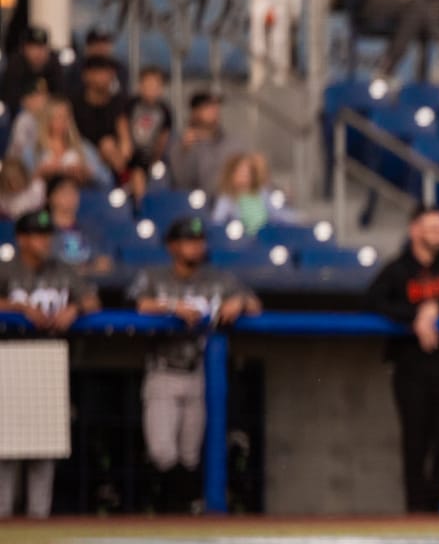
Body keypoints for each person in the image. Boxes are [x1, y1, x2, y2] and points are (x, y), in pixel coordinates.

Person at [129, 216, 261, 514]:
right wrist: (173, 307)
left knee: (190, 455)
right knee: (163, 451)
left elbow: (254, 304)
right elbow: (138, 303)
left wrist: (238, 301)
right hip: (163, 369)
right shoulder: (154, 275)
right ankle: (167, 507)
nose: (195, 247)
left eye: (199, 241)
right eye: (188, 241)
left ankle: (181, 514)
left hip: (201, 371)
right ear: (172, 246)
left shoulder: (219, 279)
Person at [366, 205, 439, 514]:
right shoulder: (399, 268)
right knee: (415, 443)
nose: (438, 234)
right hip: (410, 367)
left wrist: (437, 309)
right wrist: (414, 316)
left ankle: (431, 509)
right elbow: (373, 300)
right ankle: (416, 514)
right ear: (414, 230)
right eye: (431, 228)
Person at [0, 210, 100, 519]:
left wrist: (74, 308)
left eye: (47, 235)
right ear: (22, 239)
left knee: (45, 448)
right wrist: (16, 307)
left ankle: (38, 519)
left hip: (49, 364)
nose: (45, 241)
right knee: (6, 448)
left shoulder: (62, 271)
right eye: (38, 236)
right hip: (8, 363)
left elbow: (92, 301)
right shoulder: (7, 270)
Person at [24, 97, 111, 188]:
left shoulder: (83, 147)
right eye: (58, 117)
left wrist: (88, 173)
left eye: (66, 117)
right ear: (47, 119)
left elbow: (107, 180)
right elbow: (19, 187)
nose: (63, 122)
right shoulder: (32, 150)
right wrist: (40, 174)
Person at [168, 92, 243, 194]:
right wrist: (184, 151)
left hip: (230, 202)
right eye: (208, 106)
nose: (215, 110)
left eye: (216, 106)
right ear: (195, 112)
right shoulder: (183, 145)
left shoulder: (232, 143)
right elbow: (181, 182)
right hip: (196, 205)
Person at [68, 55, 131, 176]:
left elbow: (125, 140)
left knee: (108, 144)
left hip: (111, 159)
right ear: (86, 75)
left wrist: (121, 155)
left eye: (108, 73)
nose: (105, 77)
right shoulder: (74, 104)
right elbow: (71, 137)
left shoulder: (118, 103)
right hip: (81, 156)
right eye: (100, 72)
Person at [210, 153, 295, 235]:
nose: (245, 175)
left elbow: (279, 213)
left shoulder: (262, 193)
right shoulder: (227, 198)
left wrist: (301, 220)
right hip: (241, 242)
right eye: (241, 171)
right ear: (232, 174)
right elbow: (217, 222)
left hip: (265, 238)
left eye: (248, 171)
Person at [44, 176, 112, 274]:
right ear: (50, 197)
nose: (70, 196)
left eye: (73, 191)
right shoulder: (42, 232)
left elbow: (104, 263)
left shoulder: (91, 230)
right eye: (64, 192)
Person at [0, 26, 62, 115]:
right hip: (19, 115)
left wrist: (47, 100)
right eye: (33, 47)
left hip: (48, 116)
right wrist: (25, 102)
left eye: (42, 47)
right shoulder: (15, 64)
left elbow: (61, 95)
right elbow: (7, 97)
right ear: (24, 49)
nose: (38, 52)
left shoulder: (54, 63)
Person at [124, 66, 173, 168]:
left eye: (154, 86)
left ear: (161, 88)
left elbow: (164, 137)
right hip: (131, 150)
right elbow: (122, 122)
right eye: (147, 85)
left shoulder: (164, 110)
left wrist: (156, 158)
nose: (150, 90)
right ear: (140, 86)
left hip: (149, 153)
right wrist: (126, 142)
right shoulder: (132, 104)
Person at [0, 155, 44, 219]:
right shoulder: (3, 196)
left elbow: (45, 217)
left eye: (17, 180)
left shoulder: (37, 187)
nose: (13, 185)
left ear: (24, 175)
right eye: (9, 182)